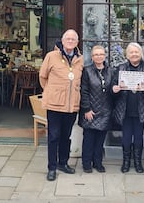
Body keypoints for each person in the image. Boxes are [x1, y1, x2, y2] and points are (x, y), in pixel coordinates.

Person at [39, 29, 84, 181]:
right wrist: (51, 92)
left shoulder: (80, 59)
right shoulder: (51, 56)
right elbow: (42, 77)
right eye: (68, 39)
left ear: (77, 43)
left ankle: (63, 163)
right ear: (62, 41)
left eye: (73, 39)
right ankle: (51, 168)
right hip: (54, 104)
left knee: (66, 136)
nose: (70, 41)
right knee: (53, 137)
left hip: (72, 106)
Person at [111, 42, 144, 173]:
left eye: (136, 52)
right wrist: (114, 88)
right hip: (124, 109)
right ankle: (126, 162)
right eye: (131, 52)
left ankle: (138, 162)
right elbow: (112, 87)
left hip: (140, 109)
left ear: (141, 54)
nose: (134, 54)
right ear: (127, 55)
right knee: (126, 137)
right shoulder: (121, 68)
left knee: (138, 137)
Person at [78, 45, 115, 173]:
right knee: (89, 139)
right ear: (92, 57)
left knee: (100, 140)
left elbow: (112, 90)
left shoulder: (111, 71)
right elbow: (84, 91)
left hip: (105, 110)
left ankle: (98, 162)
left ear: (105, 56)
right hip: (91, 110)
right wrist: (86, 109)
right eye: (96, 55)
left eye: (101, 54)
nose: (99, 57)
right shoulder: (87, 71)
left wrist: (116, 90)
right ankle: (86, 163)